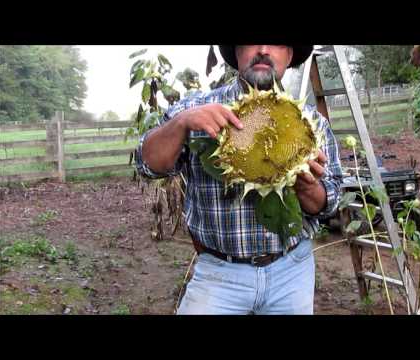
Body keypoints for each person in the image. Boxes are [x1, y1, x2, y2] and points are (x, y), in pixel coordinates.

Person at [135, 45, 342, 315]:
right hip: (219, 275)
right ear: (236, 51)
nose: (263, 49)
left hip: (291, 270)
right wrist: (181, 123)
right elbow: (148, 165)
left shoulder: (311, 124)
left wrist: (308, 188)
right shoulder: (196, 110)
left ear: (289, 55)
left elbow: (331, 202)